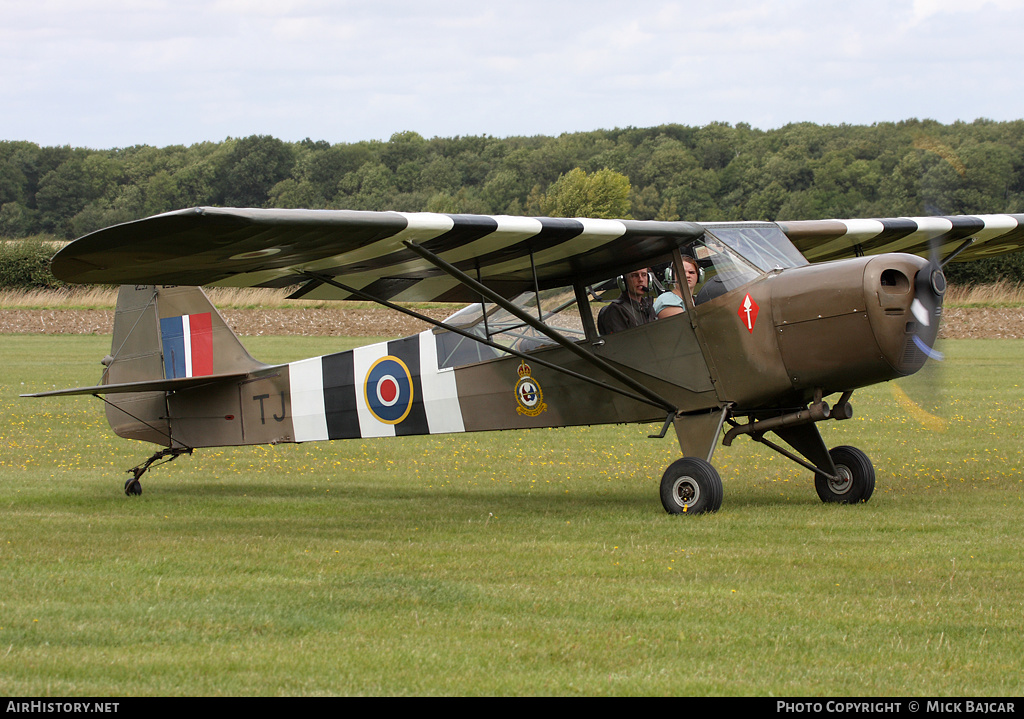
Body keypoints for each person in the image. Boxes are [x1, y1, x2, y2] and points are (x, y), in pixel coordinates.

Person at [597, 267, 656, 334]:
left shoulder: (648, 306)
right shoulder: (616, 310)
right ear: (624, 281)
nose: (641, 279)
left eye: (644, 275)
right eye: (635, 275)